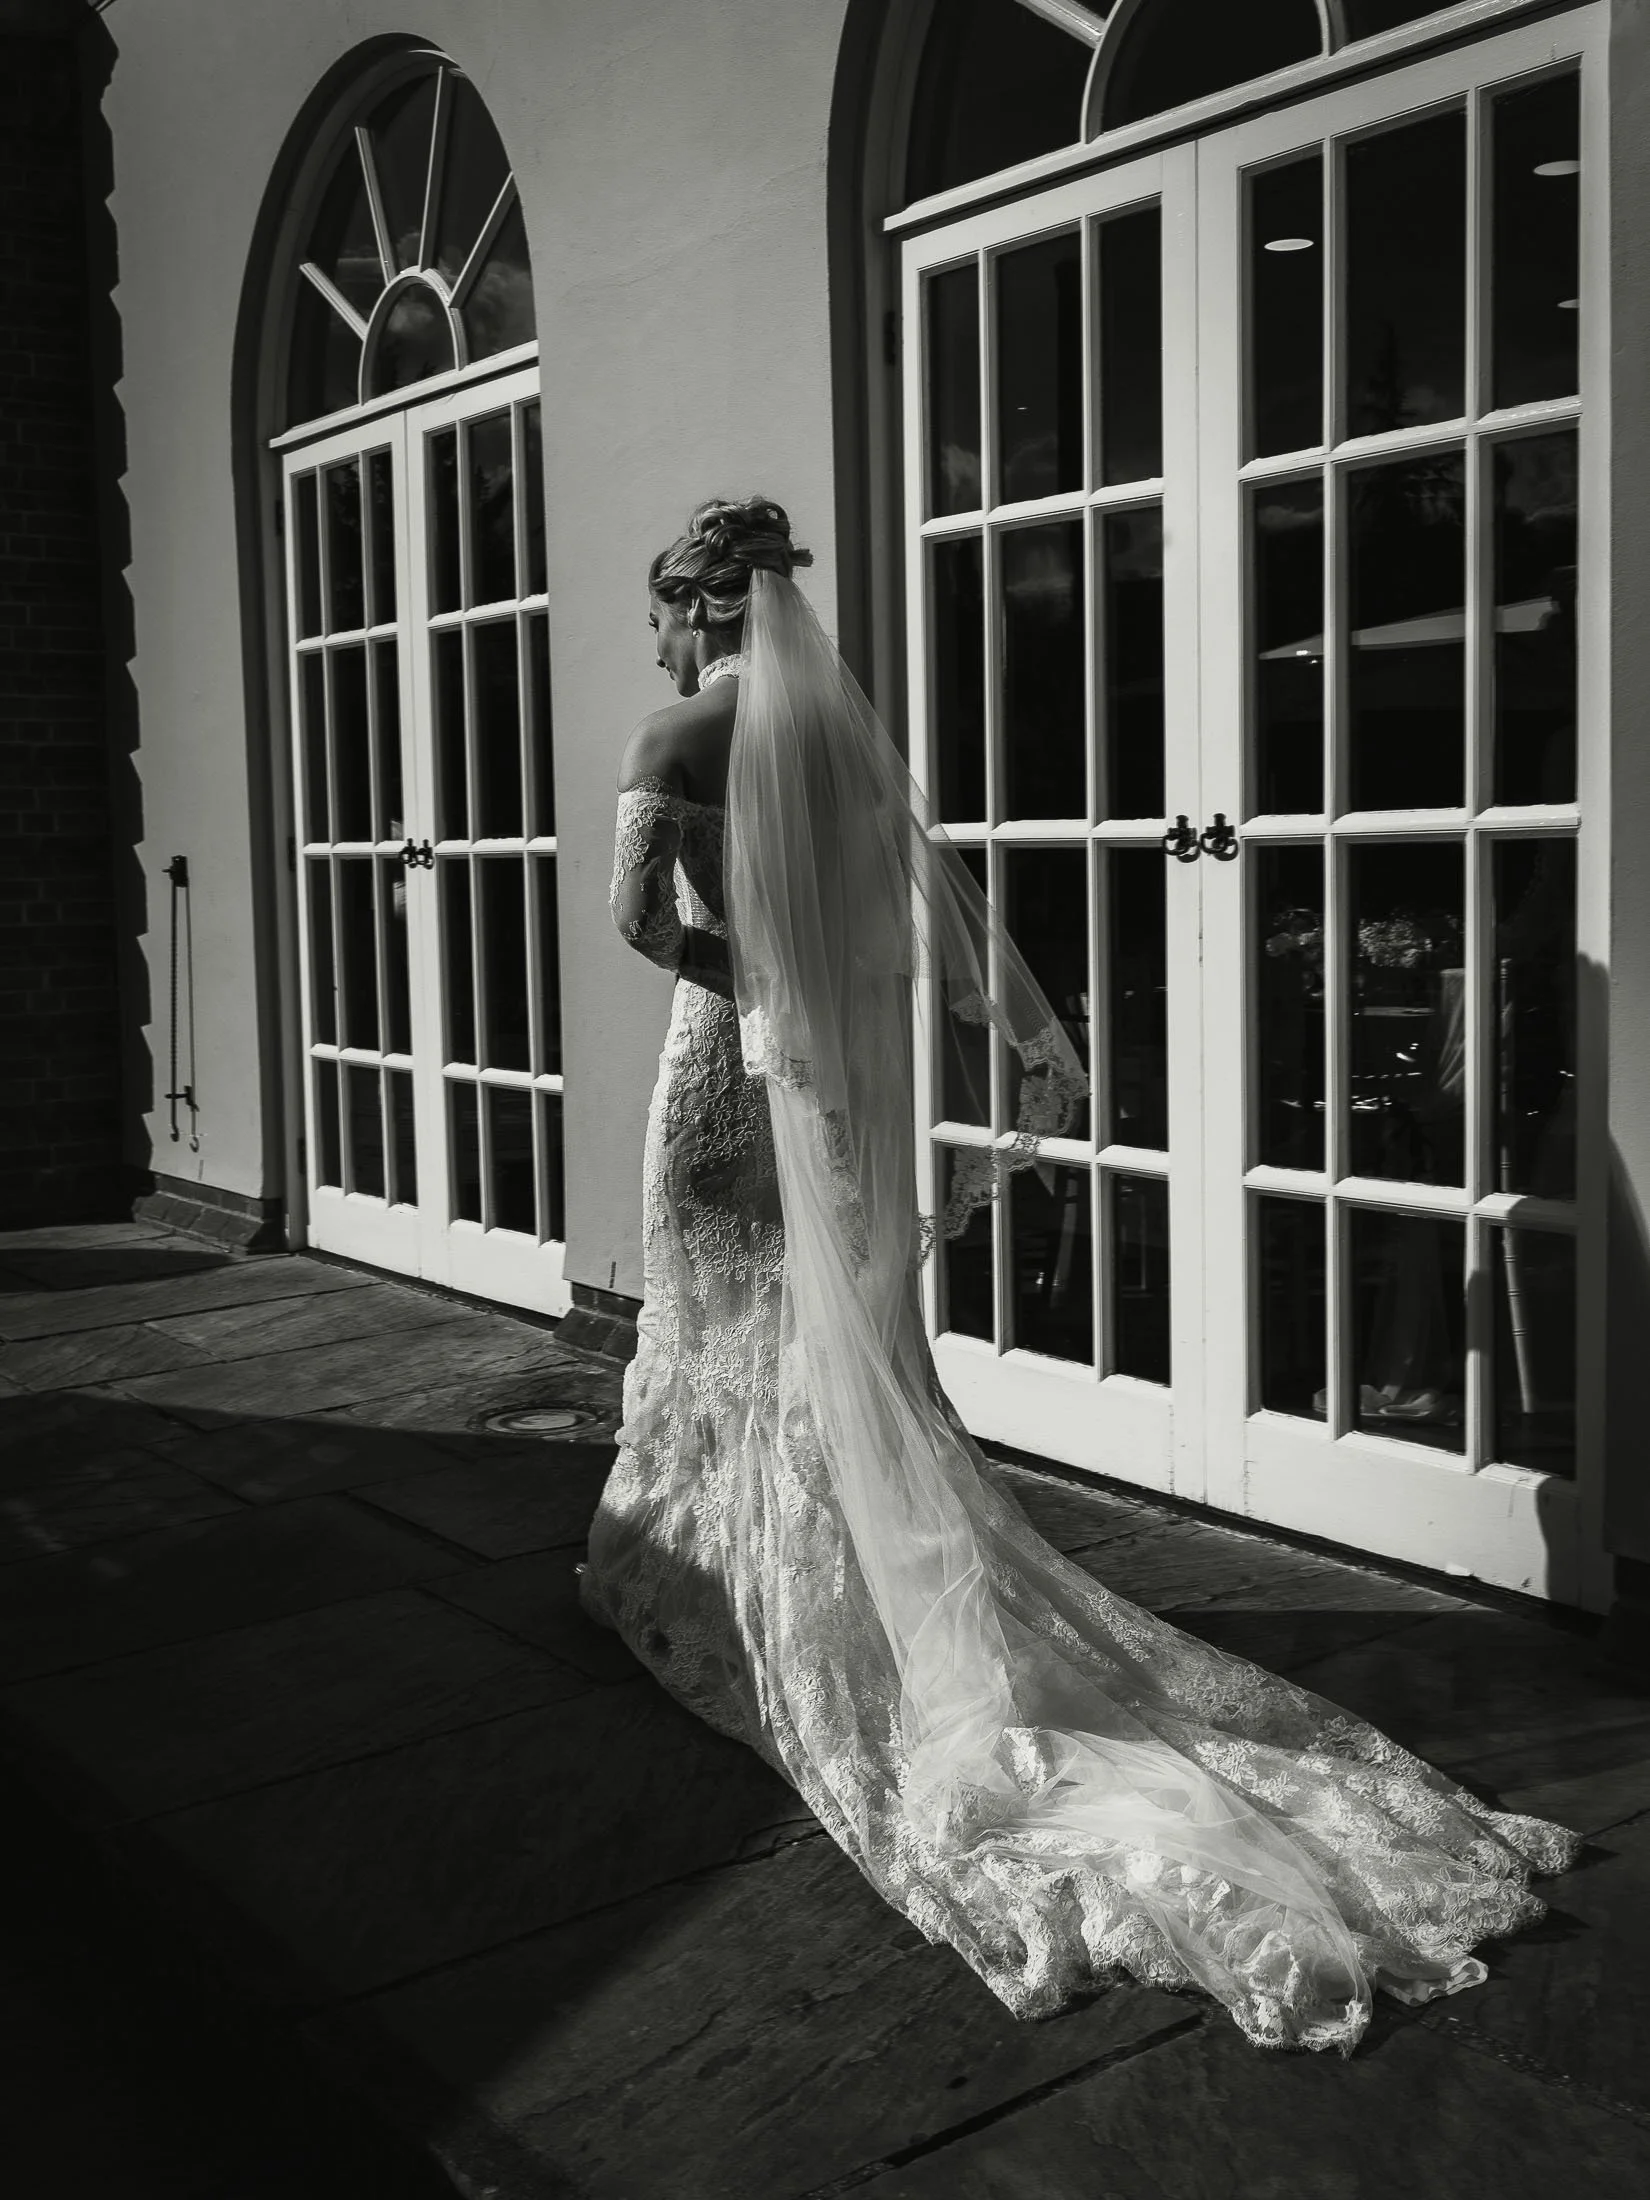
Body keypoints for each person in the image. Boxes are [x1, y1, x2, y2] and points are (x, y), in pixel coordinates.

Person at [581, 495, 1578, 2054]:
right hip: (836, 1082)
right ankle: (809, 1562)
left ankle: (716, 1573)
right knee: (829, 1339)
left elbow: (643, 921)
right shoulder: (839, 742)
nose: (653, 640)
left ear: (703, 610)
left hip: (725, 1075)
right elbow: (913, 929)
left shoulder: (671, 734)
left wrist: (750, 978)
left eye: (660, 612)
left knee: (720, 1317)